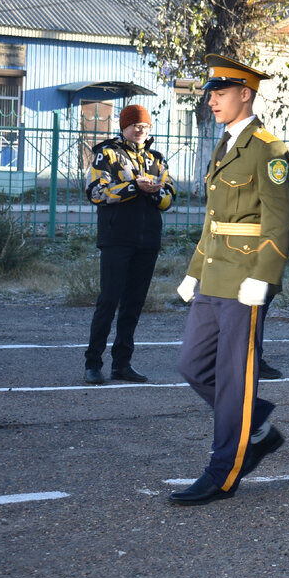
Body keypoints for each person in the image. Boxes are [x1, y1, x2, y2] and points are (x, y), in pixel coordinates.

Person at [169, 55, 289, 505]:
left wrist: (264, 277)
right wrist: (192, 272)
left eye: (220, 93)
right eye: (210, 93)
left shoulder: (267, 148)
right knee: (192, 364)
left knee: (233, 378)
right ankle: (255, 424)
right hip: (213, 274)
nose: (212, 100)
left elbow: (281, 220)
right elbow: (213, 220)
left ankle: (223, 470)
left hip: (245, 278)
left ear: (246, 93)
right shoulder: (225, 144)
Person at [83, 104, 175, 385]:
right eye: (135, 125)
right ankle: (93, 364)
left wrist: (154, 191)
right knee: (109, 300)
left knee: (134, 304)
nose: (140, 130)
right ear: (123, 126)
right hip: (116, 239)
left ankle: (122, 364)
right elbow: (96, 192)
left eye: (145, 126)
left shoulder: (157, 159)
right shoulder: (107, 153)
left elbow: (169, 197)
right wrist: (135, 186)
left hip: (148, 241)